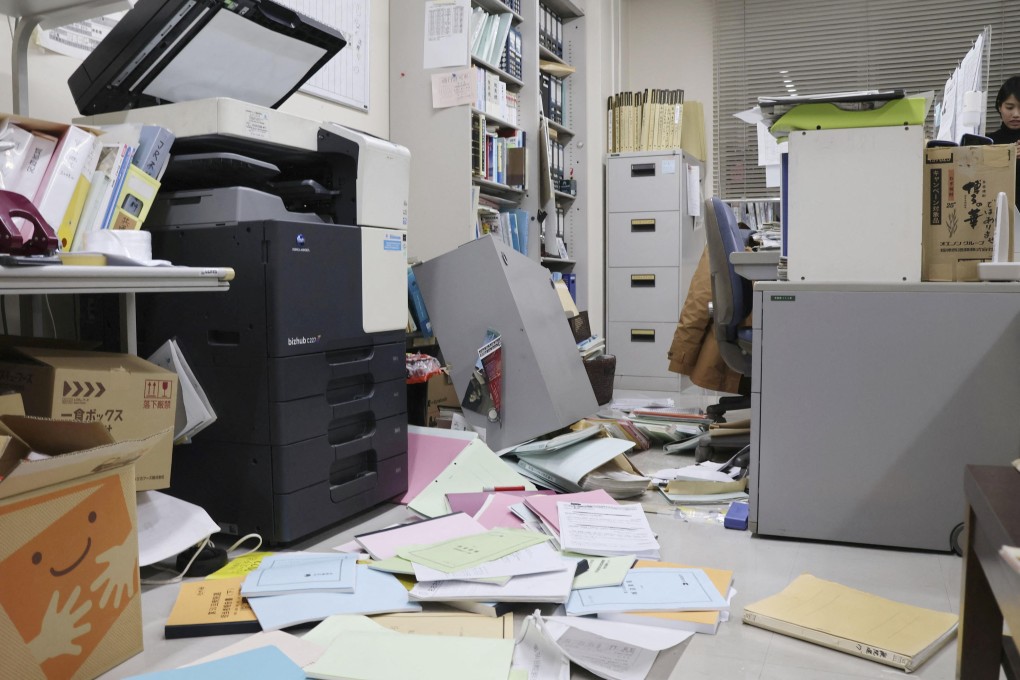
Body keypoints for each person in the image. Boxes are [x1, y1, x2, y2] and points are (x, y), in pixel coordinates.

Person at [988, 76, 1020, 207]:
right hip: (998, 215)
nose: (1016, 114)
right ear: (1000, 106)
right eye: (1010, 107)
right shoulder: (989, 142)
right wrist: (1004, 156)